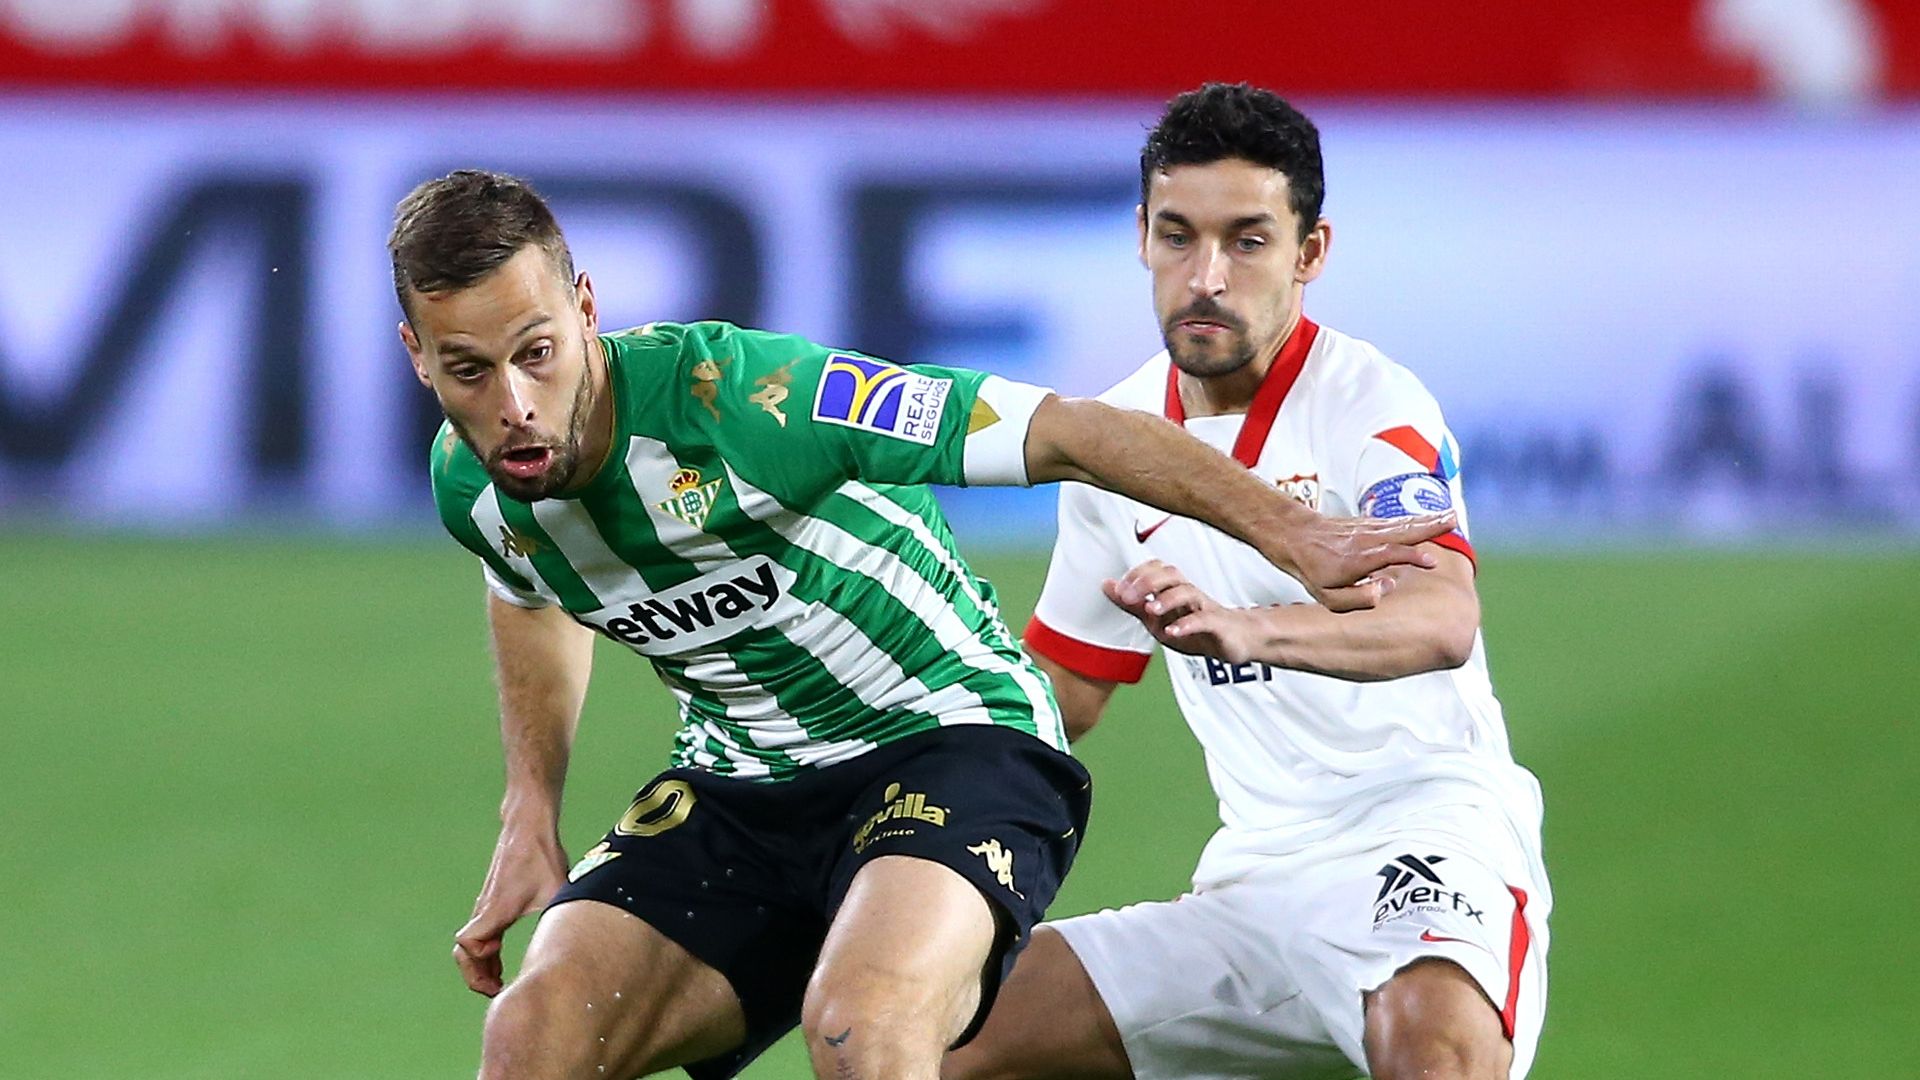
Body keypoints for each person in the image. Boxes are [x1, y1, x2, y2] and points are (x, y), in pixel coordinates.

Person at [389, 169, 1454, 1080]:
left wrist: (1291, 534)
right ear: (419, 356)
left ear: (584, 308)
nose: (515, 405)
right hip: (744, 784)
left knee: (864, 1028)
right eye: (470, 371)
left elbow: (1076, 433)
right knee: (530, 1039)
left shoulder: (760, 403)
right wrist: (530, 809)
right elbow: (530, 583)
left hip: (951, 739)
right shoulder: (471, 485)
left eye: (538, 352)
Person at [944, 84, 1552, 1080]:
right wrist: (884, 767)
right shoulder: (1119, 443)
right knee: (940, 1035)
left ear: (1311, 253)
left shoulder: (1372, 411)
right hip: (1257, 881)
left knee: (1432, 1053)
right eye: (1178, 236)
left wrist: (1252, 628)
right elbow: (1063, 690)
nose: (1206, 277)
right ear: (1140, 236)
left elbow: (1440, 619)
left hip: (1426, 839)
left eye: (1249, 242)